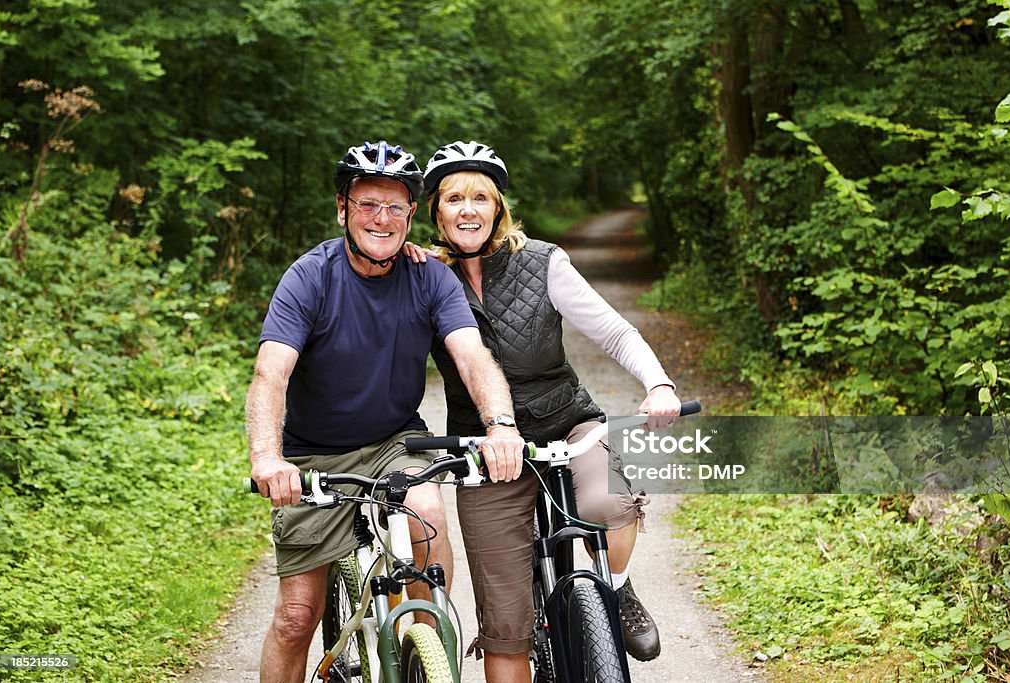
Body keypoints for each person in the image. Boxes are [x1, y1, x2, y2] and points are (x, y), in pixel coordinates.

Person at [246, 140, 525, 683]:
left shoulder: (430, 276)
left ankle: (422, 649)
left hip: (396, 440)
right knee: (297, 616)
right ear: (342, 209)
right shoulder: (309, 277)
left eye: (395, 206)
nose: (381, 218)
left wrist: (502, 425)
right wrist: (267, 457)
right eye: (367, 204)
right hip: (312, 456)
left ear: (412, 214)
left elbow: (473, 358)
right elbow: (270, 374)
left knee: (430, 523)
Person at [412, 140, 685, 681]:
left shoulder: (542, 262)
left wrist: (658, 383)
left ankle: (616, 584)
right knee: (505, 626)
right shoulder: (421, 276)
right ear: (436, 212)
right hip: (484, 448)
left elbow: (613, 331)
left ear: (498, 208)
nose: (468, 209)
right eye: (454, 198)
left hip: (568, 424)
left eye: (480, 198)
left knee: (611, 503)